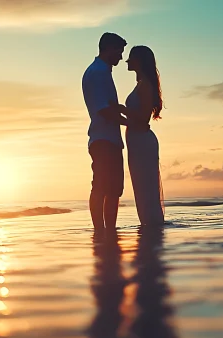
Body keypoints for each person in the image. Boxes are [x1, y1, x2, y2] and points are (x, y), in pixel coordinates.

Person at [82, 32, 129, 235]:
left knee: (112, 189)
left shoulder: (101, 71)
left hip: (106, 138)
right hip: (104, 140)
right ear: (108, 48)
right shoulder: (99, 72)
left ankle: (107, 230)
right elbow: (103, 110)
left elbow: (107, 107)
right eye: (119, 51)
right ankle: (102, 230)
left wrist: (121, 110)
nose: (121, 56)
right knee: (103, 186)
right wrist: (131, 123)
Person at [117, 45, 166, 226]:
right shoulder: (141, 84)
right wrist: (119, 117)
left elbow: (142, 120)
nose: (127, 61)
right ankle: (149, 227)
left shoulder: (145, 85)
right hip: (137, 142)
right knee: (141, 187)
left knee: (146, 188)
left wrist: (120, 111)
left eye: (131, 58)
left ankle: (152, 227)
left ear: (140, 61)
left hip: (142, 142)